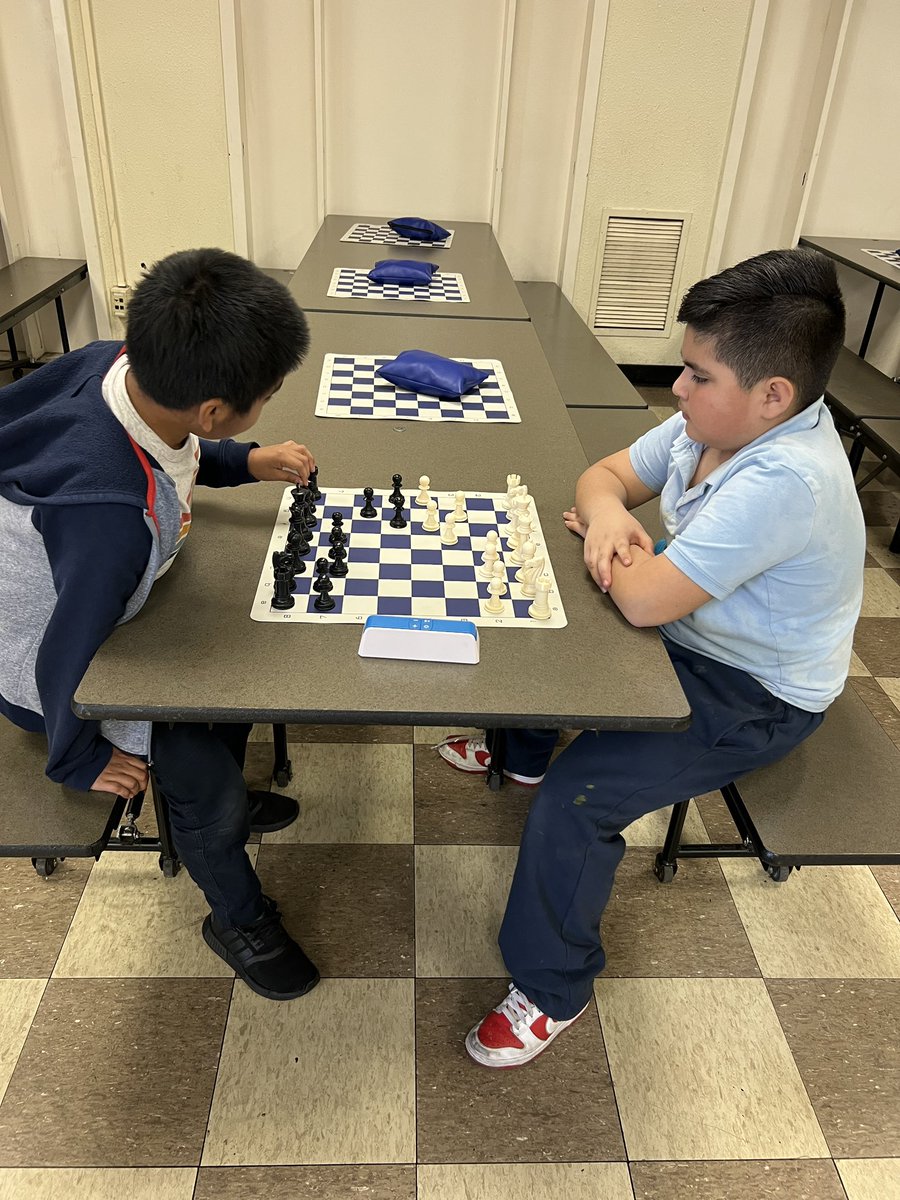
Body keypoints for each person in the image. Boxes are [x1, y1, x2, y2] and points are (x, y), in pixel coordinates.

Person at [436, 247, 866, 1067]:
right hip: (686, 628)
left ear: (772, 395)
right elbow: (599, 478)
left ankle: (552, 989)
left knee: (579, 796)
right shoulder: (717, 418)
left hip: (754, 692)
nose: (676, 388)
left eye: (697, 375)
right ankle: (517, 753)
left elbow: (641, 599)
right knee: (533, 618)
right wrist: (607, 523)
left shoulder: (787, 477)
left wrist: (627, 550)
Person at [0, 248, 321, 1001]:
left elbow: (172, 446)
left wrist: (244, 459)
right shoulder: (109, 518)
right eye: (266, 396)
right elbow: (64, 652)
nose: (268, 402)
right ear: (212, 406)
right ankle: (235, 913)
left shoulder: (118, 364)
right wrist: (76, 758)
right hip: (53, 668)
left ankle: (226, 810)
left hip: (102, 606)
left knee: (234, 682)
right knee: (199, 770)